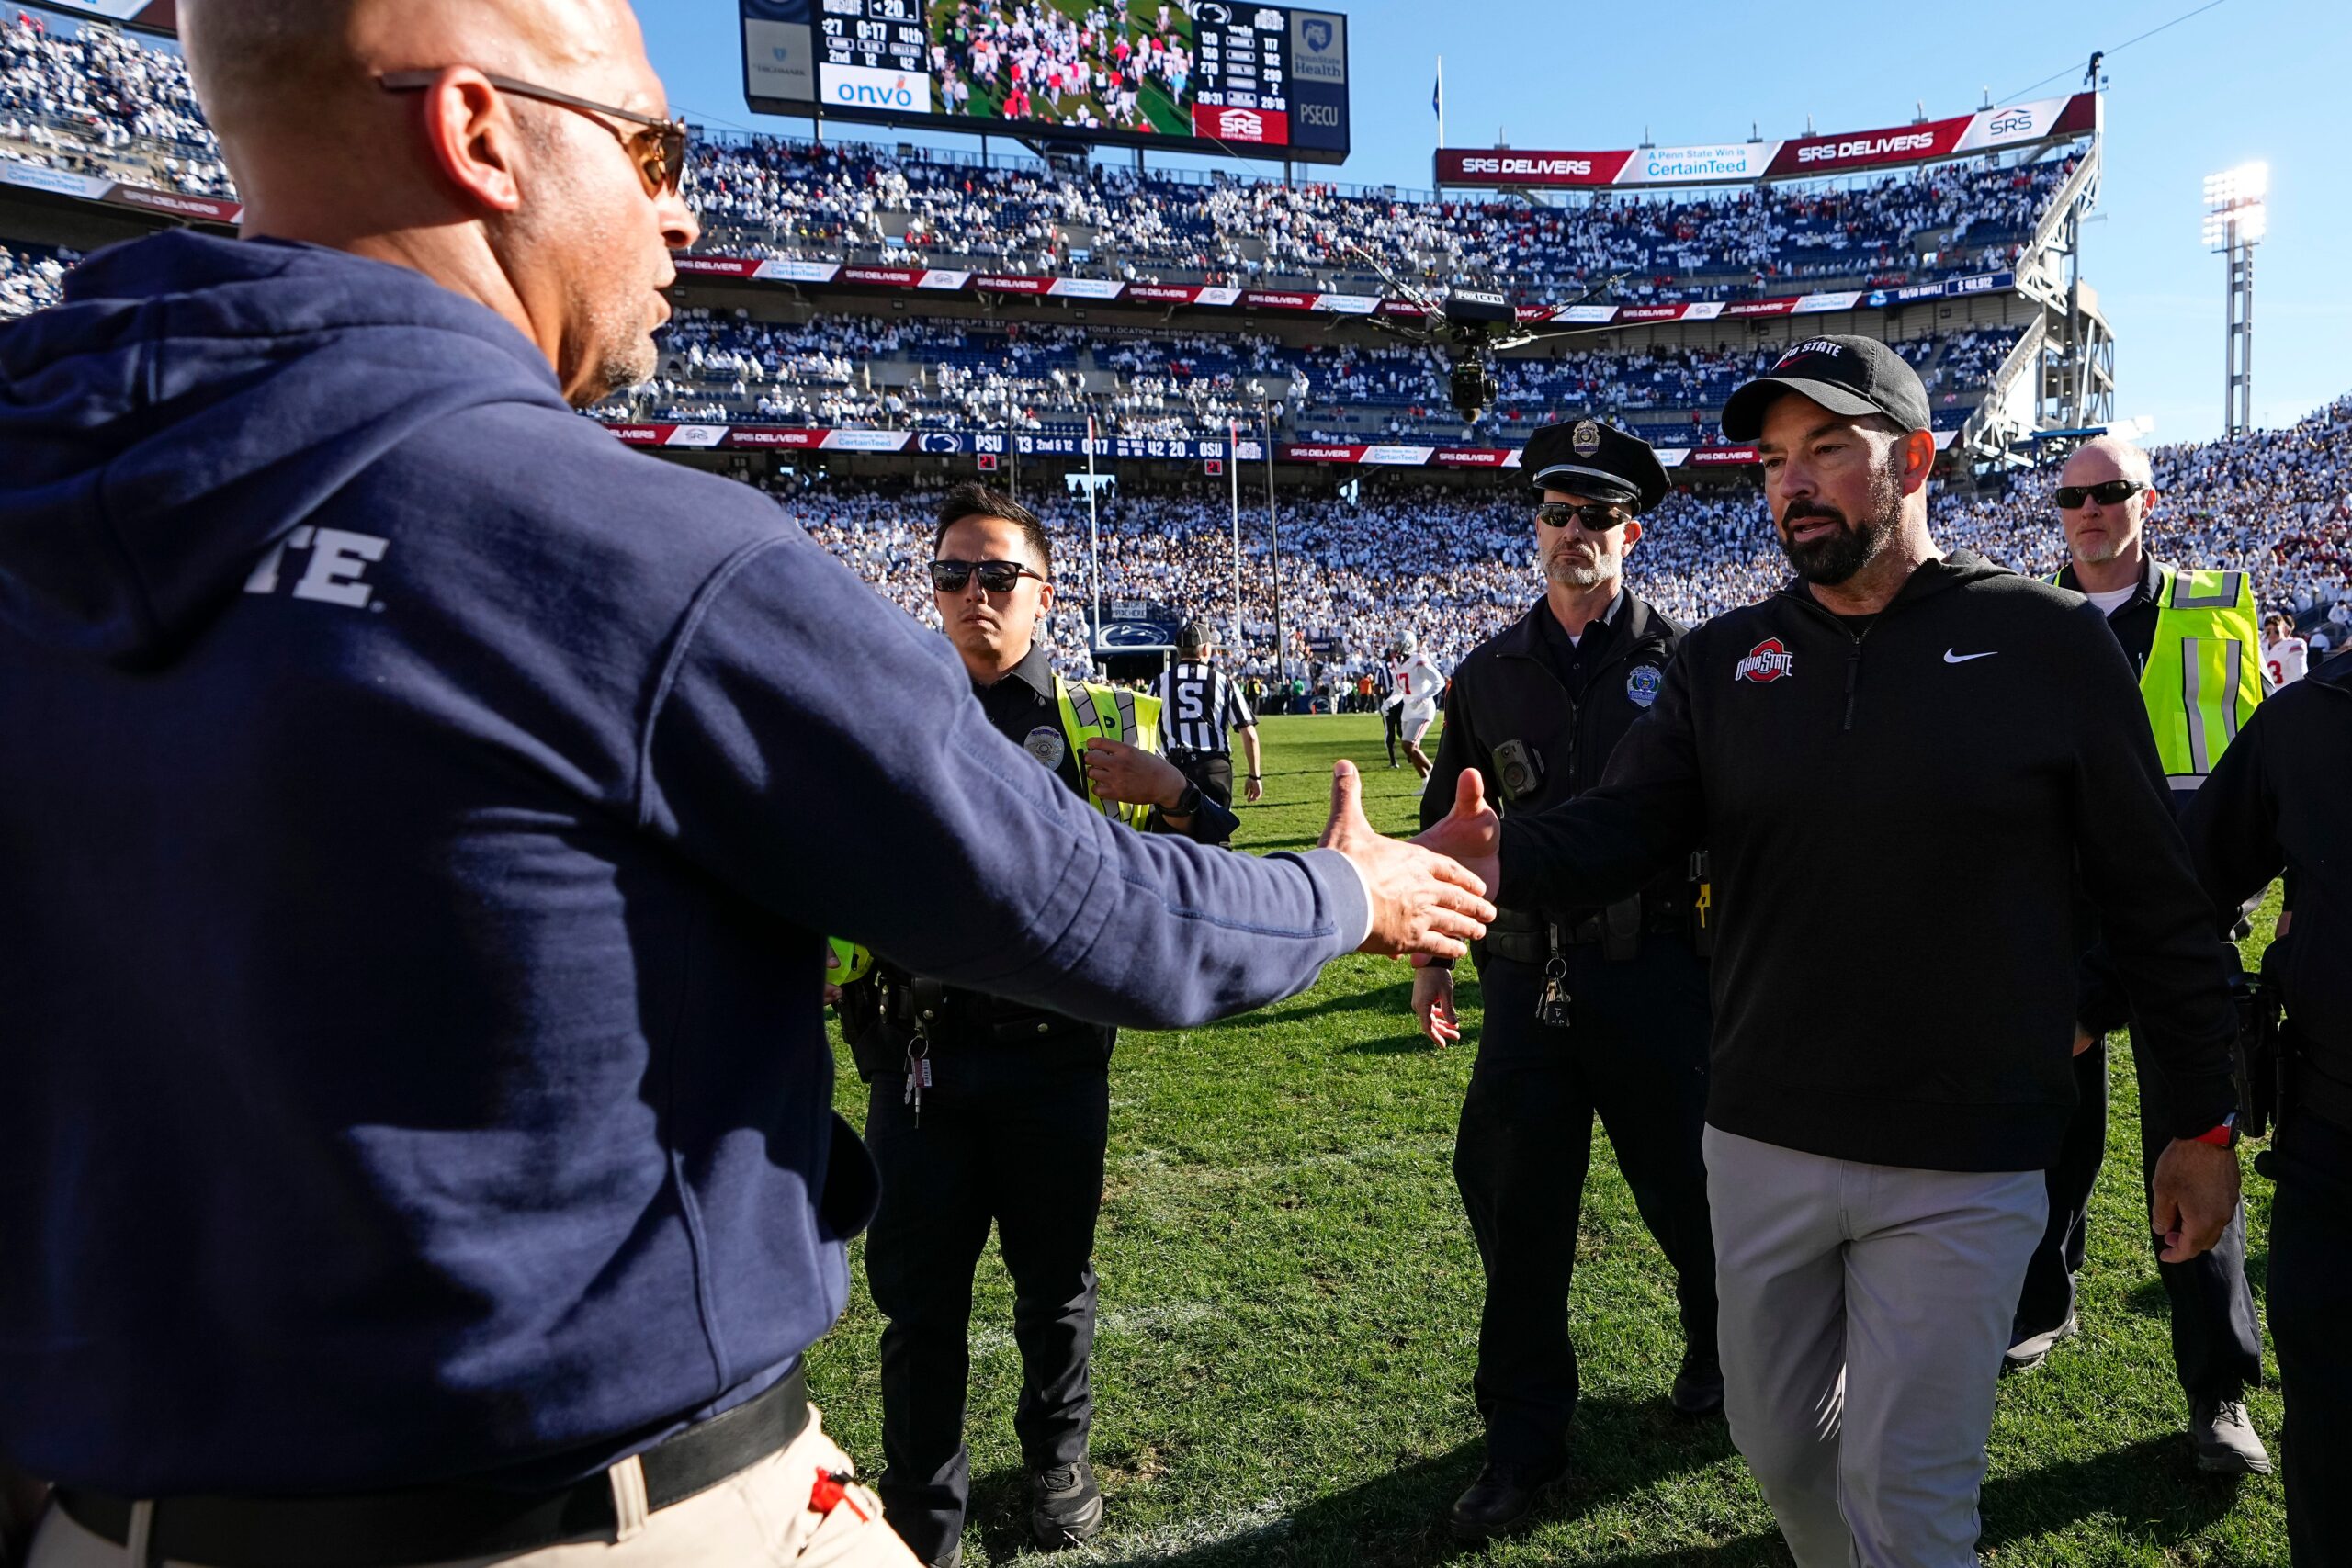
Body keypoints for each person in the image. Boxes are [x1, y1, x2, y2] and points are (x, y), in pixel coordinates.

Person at [0, 4, 1498, 1564]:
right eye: (652, 143)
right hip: (587, 1504)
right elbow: (1081, 903)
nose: (682, 205)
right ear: (478, 133)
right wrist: (1352, 889)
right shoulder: (632, 556)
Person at [1419, 335, 2245, 1568]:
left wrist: (2203, 1122)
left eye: (1825, 452)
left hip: (1963, 1151)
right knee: (1783, 1445)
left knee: (1909, 1500)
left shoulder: (2046, 641)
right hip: (1762, 1137)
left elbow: (2159, 907)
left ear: (1913, 460)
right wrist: (1492, 861)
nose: (1789, 484)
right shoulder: (1719, 662)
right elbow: (1628, 826)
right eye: (1772, 459)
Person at [838, 488, 1232, 1566]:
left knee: (1054, 1285)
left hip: (1055, 1062)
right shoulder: (887, 710)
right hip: (918, 1065)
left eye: (998, 575)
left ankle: (1058, 1459)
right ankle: (924, 1500)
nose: (974, 595)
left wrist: (1178, 796)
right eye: (954, 575)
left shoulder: (1095, 721)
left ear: (1043, 595)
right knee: (919, 1303)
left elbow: (1205, 872)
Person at [1413, 419, 1721, 1544]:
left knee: (1693, 1199)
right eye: (1555, 513)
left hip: (1657, 980)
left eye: (1596, 516)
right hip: (1527, 982)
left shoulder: (1689, 663)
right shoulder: (1488, 672)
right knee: (1515, 1210)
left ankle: (1714, 1335)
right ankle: (1522, 1442)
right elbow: (1448, 831)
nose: (1572, 534)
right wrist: (1432, 958)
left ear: (1629, 532)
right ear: (1534, 529)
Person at [2006, 434, 2270, 1473]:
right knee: (2051, 1124)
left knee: (2194, 1140)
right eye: (2072, 496)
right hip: (2057, 921)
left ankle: (2217, 1393)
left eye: (2109, 491)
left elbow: (2253, 771)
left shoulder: (2213, 612)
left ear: (2145, 500)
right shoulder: (2021, 621)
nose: (2090, 510)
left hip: (2175, 923)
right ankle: (2043, 1299)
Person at [2180, 643, 2352, 1563]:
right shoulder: (2308, 721)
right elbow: (2183, 892)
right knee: (2331, 1459)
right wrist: (2208, 1116)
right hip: (2332, 1160)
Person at [1151, 619, 1261, 816]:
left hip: (1176, 768)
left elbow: (1141, 728)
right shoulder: (1224, 683)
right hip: (1214, 768)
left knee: (1175, 840)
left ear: (1178, 651)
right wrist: (1254, 775)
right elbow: (1250, 735)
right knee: (1216, 837)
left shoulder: (1160, 683)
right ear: (1205, 649)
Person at [1389, 631, 1446, 779]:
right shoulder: (1398, 664)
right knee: (1412, 750)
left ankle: (1435, 774)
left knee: (1407, 745)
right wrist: (1390, 701)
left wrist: (1423, 697)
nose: (1394, 647)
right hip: (1407, 709)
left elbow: (1439, 682)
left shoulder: (1418, 660)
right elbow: (1398, 691)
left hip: (1422, 708)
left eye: (1397, 644)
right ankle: (1426, 782)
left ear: (1407, 645)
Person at [2265, 612, 2310, 689]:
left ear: (2283, 629)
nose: (2272, 633)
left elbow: (2300, 675)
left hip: (2288, 695)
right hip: (2270, 696)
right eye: (2269, 630)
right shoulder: (2262, 646)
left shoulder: (2293, 645)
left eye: (2276, 629)